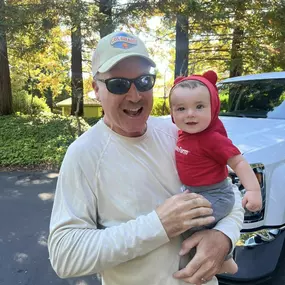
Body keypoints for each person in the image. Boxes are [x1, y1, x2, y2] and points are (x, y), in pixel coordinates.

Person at [48, 31, 244, 285]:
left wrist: (223, 236)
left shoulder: (179, 134)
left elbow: (230, 193)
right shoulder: (84, 153)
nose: (134, 95)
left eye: (143, 81)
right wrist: (158, 226)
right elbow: (65, 255)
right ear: (96, 89)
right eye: (118, 84)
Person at [169, 71, 262, 274]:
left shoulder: (213, 138)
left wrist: (253, 190)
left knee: (191, 222)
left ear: (213, 109)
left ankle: (224, 259)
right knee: (185, 220)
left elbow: (239, 163)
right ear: (172, 113)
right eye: (181, 108)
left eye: (199, 107)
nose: (190, 114)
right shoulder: (181, 133)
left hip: (217, 195)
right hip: (195, 191)